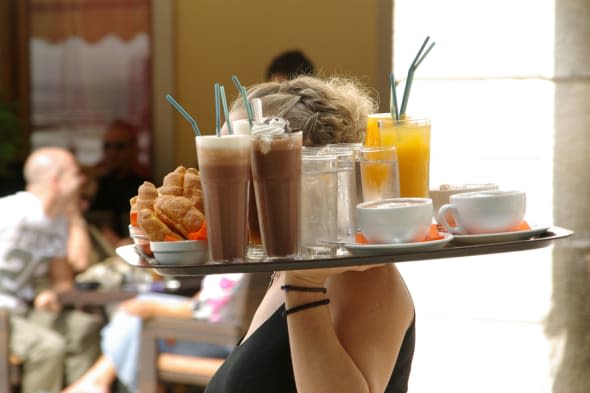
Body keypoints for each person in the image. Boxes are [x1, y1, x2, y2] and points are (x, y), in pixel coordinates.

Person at [205, 75, 415, 393]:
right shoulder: (286, 268)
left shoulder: (364, 276)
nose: (222, 174)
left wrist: (302, 286)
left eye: (237, 156)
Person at [0, 147, 102, 393]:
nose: (82, 181)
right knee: (49, 347)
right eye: (76, 174)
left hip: (23, 311)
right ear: (57, 181)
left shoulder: (56, 222)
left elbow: (66, 279)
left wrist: (52, 295)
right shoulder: (11, 211)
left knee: (84, 327)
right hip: (3, 315)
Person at [61, 273, 244, 393]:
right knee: (137, 311)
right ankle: (96, 381)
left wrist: (155, 308)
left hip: (226, 339)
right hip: (225, 331)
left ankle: (96, 381)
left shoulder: (239, 257)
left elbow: (208, 309)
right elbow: (208, 299)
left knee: (137, 318)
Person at [89, 119, 147, 243]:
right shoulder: (97, 182)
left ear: (134, 149)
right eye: (107, 146)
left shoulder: (145, 186)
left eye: (119, 147)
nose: (112, 153)